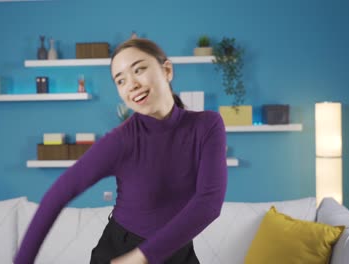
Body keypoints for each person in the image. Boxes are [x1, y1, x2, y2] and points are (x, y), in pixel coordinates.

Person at [14, 38, 228, 264]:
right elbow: (56, 196)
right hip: (120, 250)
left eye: (139, 69)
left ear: (167, 70)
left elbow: (209, 203)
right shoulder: (121, 140)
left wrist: (141, 257)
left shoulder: (207, 125)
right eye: (121, 80)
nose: (132, 84)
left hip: (173, 251)